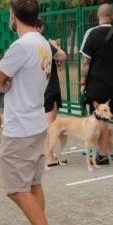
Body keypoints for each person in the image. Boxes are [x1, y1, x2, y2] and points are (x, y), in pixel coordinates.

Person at [0, 0, 65, 225]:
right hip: (34, 122)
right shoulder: (43, 43)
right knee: (32, 184)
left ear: (13, 16)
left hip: (19, 127)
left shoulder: (21, 46)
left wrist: (0, 80)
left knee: (16, 188)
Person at [79, 3, 113, 165]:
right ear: (112, 16)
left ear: (98, 16)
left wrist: (82, 82)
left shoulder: (92, 34)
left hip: (98, 84)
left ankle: (102, 155)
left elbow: (85, 62)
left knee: (101, 119)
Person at [36, 18, 67, 168]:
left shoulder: (28, 44)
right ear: (39, 28)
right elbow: (62, 55)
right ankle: (49, 157)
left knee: (48, 123)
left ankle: (50, 154)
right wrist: (54, 46)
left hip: (40, 87)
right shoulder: (44, 43)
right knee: (51, 124)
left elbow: (56, 60)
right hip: (50, 88)